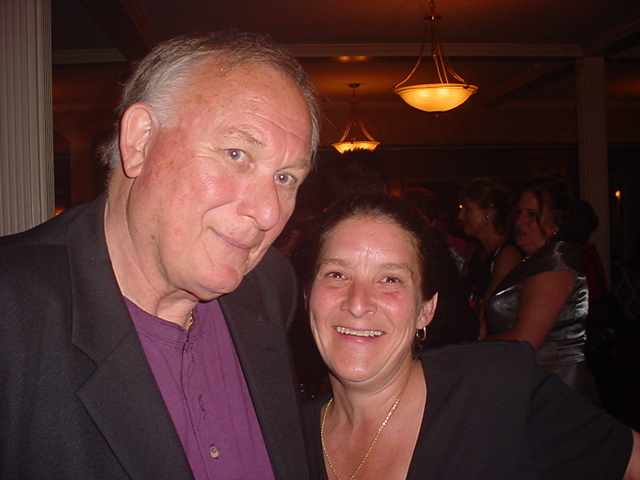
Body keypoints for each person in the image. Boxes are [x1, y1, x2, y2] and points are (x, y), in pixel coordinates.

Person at [0, 31, 318, 480]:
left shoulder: (269, 287)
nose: (268, 213)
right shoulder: (12, 315)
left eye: (285, 178)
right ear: (140, 141)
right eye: (237, 154)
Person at [302, 193, 639, 479]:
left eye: (390, 279)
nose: (358, 303)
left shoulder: (498, 393)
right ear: (307, 297)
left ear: (426, 310)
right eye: (337, 274)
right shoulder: (285, 437)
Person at [484, 178, 598, 401]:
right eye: (519, 213)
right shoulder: (534, 261)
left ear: (556, 222)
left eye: (532, 215)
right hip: (536, 383)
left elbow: (525, 340)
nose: (520, 222)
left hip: (555, 389)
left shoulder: (556, 262)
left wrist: (467, 349)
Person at [458, 178, 522, 334]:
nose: (460, 216)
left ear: (489, 213)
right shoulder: (478, 253)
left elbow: (489, 309)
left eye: (468, 210)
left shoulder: (507, 255)